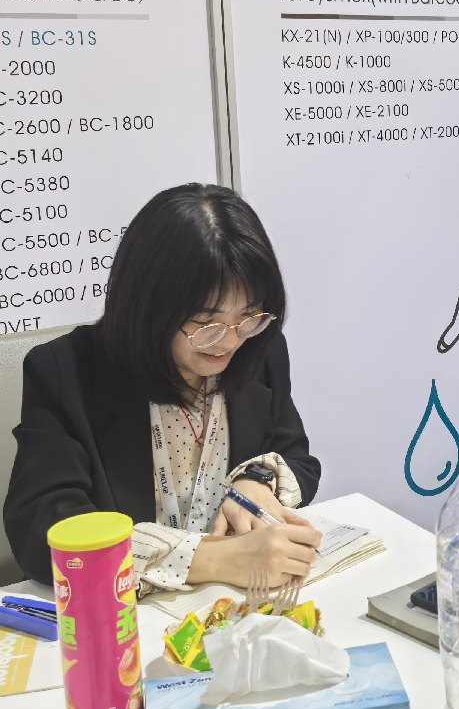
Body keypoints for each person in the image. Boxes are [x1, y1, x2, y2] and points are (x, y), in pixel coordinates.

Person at [6, 183, 322, 590]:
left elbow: (298, 458)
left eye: (248, 316)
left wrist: (255, 480)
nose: (228, 341)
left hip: (231, 604)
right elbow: (42, 528)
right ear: (148, 308)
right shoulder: (66, 371)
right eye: (205, 322)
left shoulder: (258, 349)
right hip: (125, 609)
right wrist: (212, 559)